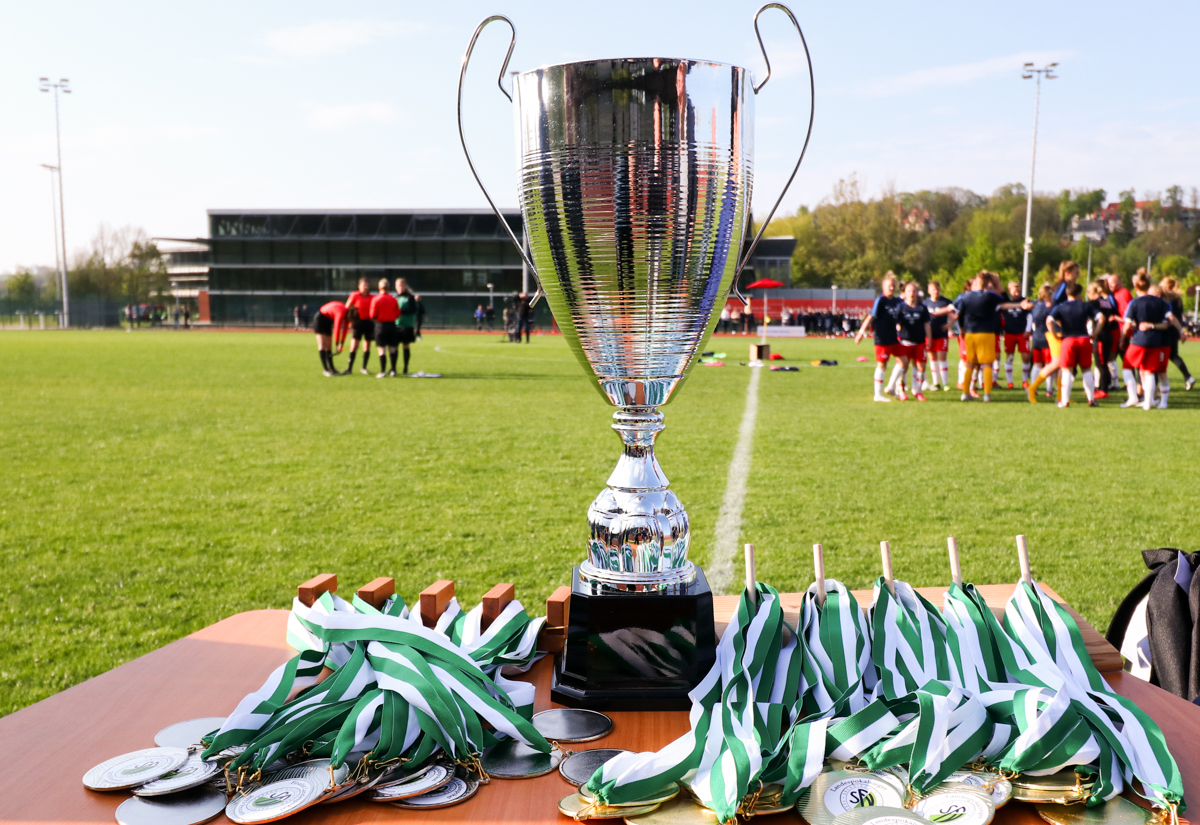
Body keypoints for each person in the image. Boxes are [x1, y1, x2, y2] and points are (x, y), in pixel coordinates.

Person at [955, 271, 1031, 402]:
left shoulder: (966, 296)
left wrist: (962, 329)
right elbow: (1005, 300)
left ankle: (965, 393)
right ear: (987, 283)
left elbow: (960, 315)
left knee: (970, 364)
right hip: (986, 333)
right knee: (987, 364)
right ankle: (987, 395)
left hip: (970, 334)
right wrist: (998, 283)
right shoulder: (989, 296)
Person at [1121, 271, 1186, 410]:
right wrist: (1181, 331)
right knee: (1149, 371)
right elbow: (1171, 319)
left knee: (1127, 367)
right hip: (1156, 342)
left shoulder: (1135, 303)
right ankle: (1148, 402)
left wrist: (1122, 338)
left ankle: (1133, 397)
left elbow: (1126, 326)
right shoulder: (1161, 302)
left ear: (1136, 287)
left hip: (1139, 341)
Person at [1047, 282, 1102, 407]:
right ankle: (1091, 400)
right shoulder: (1086, 305)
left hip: (1068, 340)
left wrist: (1055, 335)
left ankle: (1064, 401)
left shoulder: (1061, 307)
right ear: (1079, 294)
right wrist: (1095, 333)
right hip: (1083, 339)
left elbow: (1049, 321)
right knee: (1086, 369)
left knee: (1067, 370)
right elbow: (1101, 318)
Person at [853, 272, 903, 402]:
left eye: (893, 286)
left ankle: (890, 387)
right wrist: (861, 332)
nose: (891, 288)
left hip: (894, 338)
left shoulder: (897, 301)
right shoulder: (880, 300)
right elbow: (871, 316)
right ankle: (878, 394)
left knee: (904, 361)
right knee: (882, 365)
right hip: (882, 339)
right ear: (883, 287)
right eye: (889, 286)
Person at [892, 281, 933, 401]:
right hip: (904, 342)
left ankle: (917, 390)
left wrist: (929, 339)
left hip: (919, 342)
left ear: (917, 293)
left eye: (914, 291)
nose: (911, 293)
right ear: (904, 293)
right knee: (903, 367)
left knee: (921, 367)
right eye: (909, 291)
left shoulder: (922, 308)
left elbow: (927, 324)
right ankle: (901, 390)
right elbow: (895, 323)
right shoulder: (901, 307)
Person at [1160, 277, 1195, 390]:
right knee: (1173, 355)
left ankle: (1157, 383)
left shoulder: (1165, 298)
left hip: (1166, 330)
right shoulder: (1177, 297)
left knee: (1163, 356)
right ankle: (1188, 377)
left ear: (1166, 286)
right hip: (1175, 329)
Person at [921, 280, 955, 391]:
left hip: (942, 333)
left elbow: (954, 314)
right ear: (929, 291)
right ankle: (936, 382)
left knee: (942, 357)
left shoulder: (946, 302)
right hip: (929, 334)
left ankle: (945, 383)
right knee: (932, 358)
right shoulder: (925, 303)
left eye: (938, 289)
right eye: (933, 290)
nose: (936, 291)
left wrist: (949, 324)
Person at [1088, 280, 1118, 398]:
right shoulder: (1106, 302)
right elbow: (1115, 313)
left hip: (1100, 336)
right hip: (1108, 334)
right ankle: (1102, 387)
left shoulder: (1093, 304)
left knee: (1100, 364)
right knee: (1103, 363)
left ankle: (1103, 390)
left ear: (1091, 292)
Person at [1001, 281, 1032, 389]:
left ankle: (1024, 381)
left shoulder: (1025, 300)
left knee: (1026, 357)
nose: (1017, 291)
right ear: (1010, 290)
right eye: (1015, 289)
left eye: (1018, 289)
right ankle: (1010, 382)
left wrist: (1028, 330)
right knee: (1009, 357)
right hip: (1009, 333)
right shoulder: (1005, 301)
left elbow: (1030, 316)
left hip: (1022, 333)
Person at [312, 300, 355, 377]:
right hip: (320, 318)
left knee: (329, 346)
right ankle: (326, 370)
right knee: (322, 345)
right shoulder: (341, 313)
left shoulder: (348, 314)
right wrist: (337, 344)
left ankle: (332, 369)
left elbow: (345, 330)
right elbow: (337, 328)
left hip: (328, 320)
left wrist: (341, 344)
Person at [370, 278, 401, 378]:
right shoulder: (393, 299)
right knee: (393, 348)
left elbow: (372, 315)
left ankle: (383, 371)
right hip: (392, 326)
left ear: (379, 287)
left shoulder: (376, 299)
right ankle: (393, 370)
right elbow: (398, 314)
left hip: (380, 326)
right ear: (389, 288)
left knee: (381, 349)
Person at [1027, 284, 1054, 397]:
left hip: (1036, 337)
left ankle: (1034, 388)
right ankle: (1049, 390)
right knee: (1049, 365)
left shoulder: (1035, 305)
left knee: (1037, 365)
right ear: (1047, 295)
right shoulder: (1050, 307)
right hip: (1048, 337)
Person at [344, 278, 375, 375]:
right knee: (354, 345)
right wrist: (349, 319)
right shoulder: (354, 295)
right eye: (363, 285)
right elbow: (347, 307)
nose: (365, 287)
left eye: (367, 285)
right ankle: (349, 368)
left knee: (367, 346)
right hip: (358, 322)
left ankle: (364, 367)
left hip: (368, 322)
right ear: (359, 286)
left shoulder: (372, 297)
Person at [396, 280, 420, 373]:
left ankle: (405, 368)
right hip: (396, 325)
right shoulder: (395, 297)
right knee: (394, 347)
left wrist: (400, 311)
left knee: (405, 346)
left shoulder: (410, 297)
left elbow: (413, 310)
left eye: (402, 285)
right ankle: (393, 368)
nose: (400, 287)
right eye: (398, 286)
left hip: (407, 326)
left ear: (405, 286)